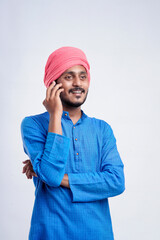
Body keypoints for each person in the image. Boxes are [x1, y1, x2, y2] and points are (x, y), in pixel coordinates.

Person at [20, 46, 125, 240]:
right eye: (69, 77)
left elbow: (116, 182)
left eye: (83, 76)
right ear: (53, 83)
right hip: (50, 233)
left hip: (97, 234)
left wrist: (53, 175)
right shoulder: (33, 125)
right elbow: (50, 176)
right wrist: (55, 115)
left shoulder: (102, 129)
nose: (78, 83)